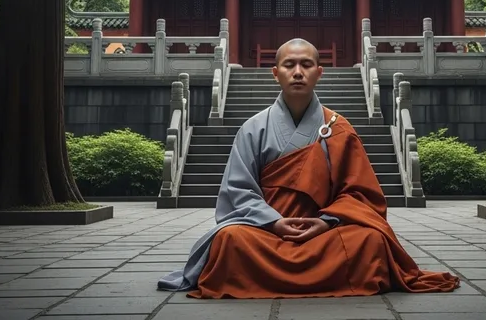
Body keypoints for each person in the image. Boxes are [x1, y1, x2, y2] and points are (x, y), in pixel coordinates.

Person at [157, 38, 460, 299]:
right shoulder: (253, 129)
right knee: (229, 240)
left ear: (319, 72)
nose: (298, 72)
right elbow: (238, 190)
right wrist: (274, 222)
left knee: (371, 242)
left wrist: (327, 221)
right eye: (289, 65)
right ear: (275, 74)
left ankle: (267, 278)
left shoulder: (338, 128)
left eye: (306, 65)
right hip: (268, 233)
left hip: (321, 233)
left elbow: (360, 193)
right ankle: (327, 276)